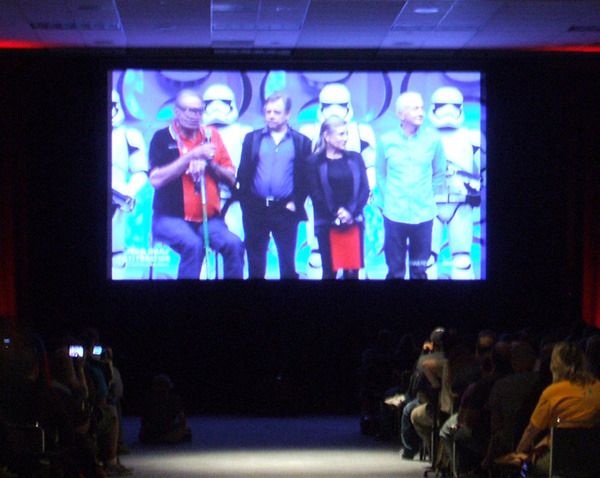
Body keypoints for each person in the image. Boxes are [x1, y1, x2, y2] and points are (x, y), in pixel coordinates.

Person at [148, 89, 244, 279]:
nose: (194, 116)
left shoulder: (211, 136)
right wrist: (191, 156)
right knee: (194, 245)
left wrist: (210, 165)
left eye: (199, 111)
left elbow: (231, 178)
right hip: (169, 218)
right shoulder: (162, 138)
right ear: (177, 111)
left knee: (234, 245)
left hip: (208, 219)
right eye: (189, 110)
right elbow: (155, 180)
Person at [237, 92, 312, 279]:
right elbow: (243, 174)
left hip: (285, 209)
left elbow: (306, 178)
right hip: (256, 209)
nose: (271, 115)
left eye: (276, 112)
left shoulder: (301, 142)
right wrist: (247, 205)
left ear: (287, 114)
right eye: (268, 111)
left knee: (287, 264)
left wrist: (296, 202)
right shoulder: (252, 139)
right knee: (255, 263)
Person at [501, 341, 600, 476]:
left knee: (529, 467)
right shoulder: (597, 387)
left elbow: (532, 429)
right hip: (593, 458)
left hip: (561, 458)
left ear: (555, 365)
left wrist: (518, 452)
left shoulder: (552, 392)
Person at [376, 91, 446, 279]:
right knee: (395, 271)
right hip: (394, 215)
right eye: (415, 108)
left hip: (424, 216)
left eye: (422, 107)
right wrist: (387, 201)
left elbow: (439, 173)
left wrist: (429, 197)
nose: (421, 112)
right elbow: (380, 175)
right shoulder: (386, 140)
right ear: (401, 114)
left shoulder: (433, 140)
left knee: (419, 270)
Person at [305, 115, 370, 279]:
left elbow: (364, 189)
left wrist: (349, 213)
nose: (346, 138)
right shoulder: (314, 162)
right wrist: (337, 212)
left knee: (352, 273)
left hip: (353, 222)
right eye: (341, 134)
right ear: (327, 136)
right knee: (329, 272)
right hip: (326, 224)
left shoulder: (355, 158)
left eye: (346, 133)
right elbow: (316, 193)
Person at [427, 86, 481, 280]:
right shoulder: (422, 137)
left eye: (453, 106)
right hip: (429, 204)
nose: (447, 111)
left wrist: (476, 189)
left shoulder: (471, 137)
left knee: (462, 260)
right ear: (433, 108)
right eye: (442, 106)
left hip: (461, 204)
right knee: (426, 260)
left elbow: (482, 170)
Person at [111, 89, 148, 279]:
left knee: (116, 257)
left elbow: (141, 171)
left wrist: (128, 191)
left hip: (118, 196)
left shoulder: (128, 135)